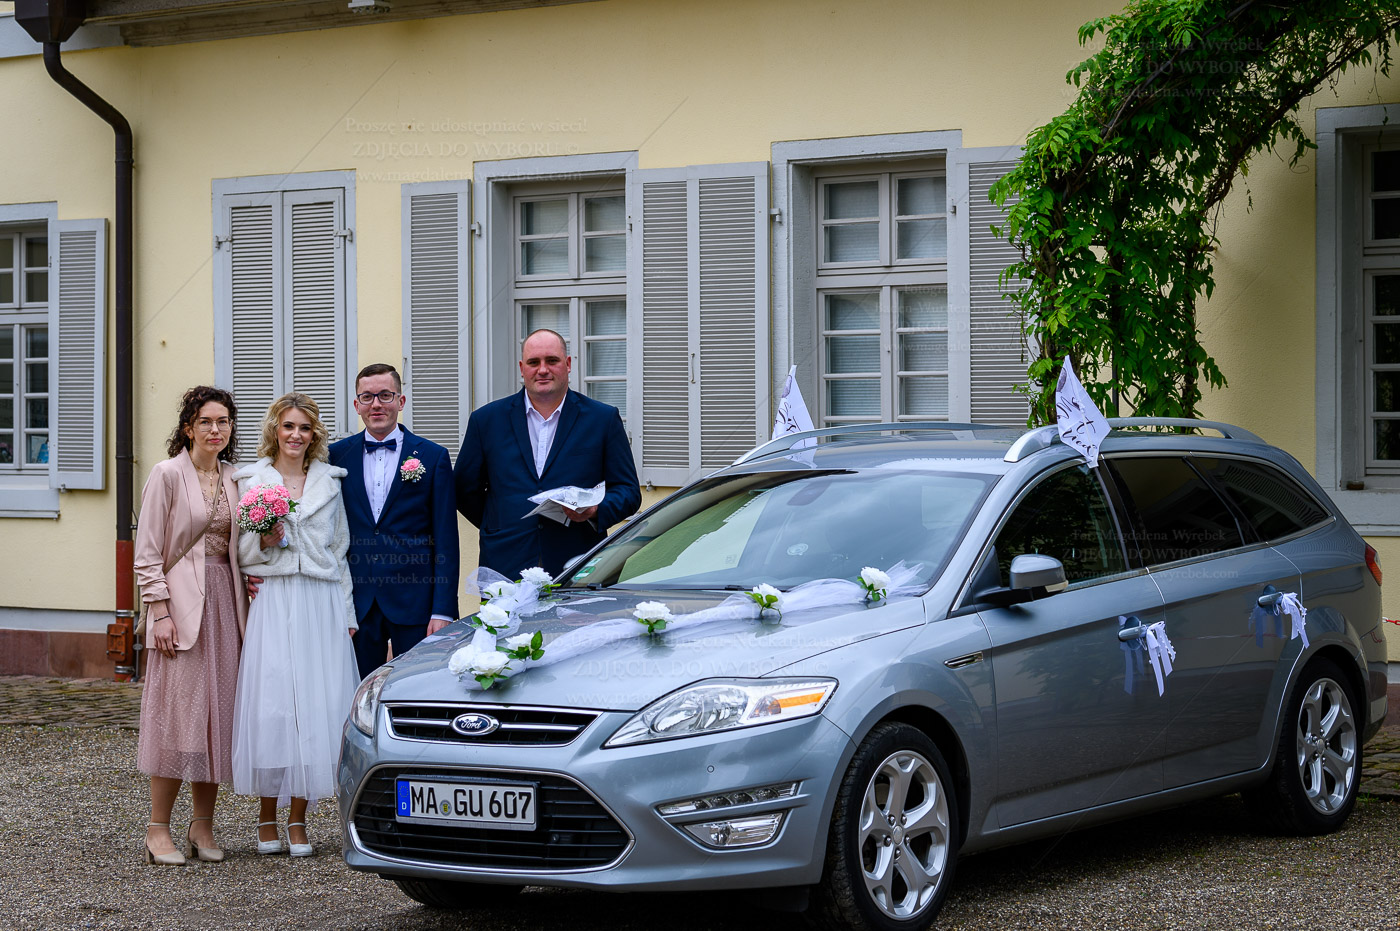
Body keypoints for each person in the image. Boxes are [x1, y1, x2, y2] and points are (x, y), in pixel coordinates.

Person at [231, 392, 358, 858]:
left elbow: (340, 552)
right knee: (275, 703)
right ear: (275, 430)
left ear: (314, 434)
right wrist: (265, 541)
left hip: (320, 601)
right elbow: (241, 554)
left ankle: (299, 818)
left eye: (304, 428)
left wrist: (346, 615)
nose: (296, 435)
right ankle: (267, 815)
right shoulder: (252, 481)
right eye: (288, 426)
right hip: (276, 597)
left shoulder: (330, 482)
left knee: (315, 707)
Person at [134, 386, 247, 866]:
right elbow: (147, 553)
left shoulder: (236, 477)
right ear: (188, 428)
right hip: (179, 608)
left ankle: (202, 825)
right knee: (178, 718)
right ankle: (157, 829)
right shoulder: (167, 474)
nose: (215, 430)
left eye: (223, 421)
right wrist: (158, 612)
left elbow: (243, 547)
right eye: (206, 421)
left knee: (216, 717)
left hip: (227, 606)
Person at [455, 328, 641, 578]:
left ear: (568, 364)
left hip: (579, 565)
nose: (542, 370)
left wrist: (595, 510)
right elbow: (464, 489)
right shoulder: (486, 421)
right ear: (522, 368)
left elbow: (628, 491)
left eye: (552, 360)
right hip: (505, 563)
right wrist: (499, 523)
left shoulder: (602, 419)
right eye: (534, 362)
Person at [328, 363, 459, 680]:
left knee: (417, 687)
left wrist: (442, 609)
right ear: (356, 404)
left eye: (385, 395)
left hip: (415, 602)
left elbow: (446, 539)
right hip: (357, 604)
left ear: (400, 401)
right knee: (357, 689)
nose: (376, 404)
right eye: (367, 397)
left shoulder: (432, 457)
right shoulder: (335, 456)